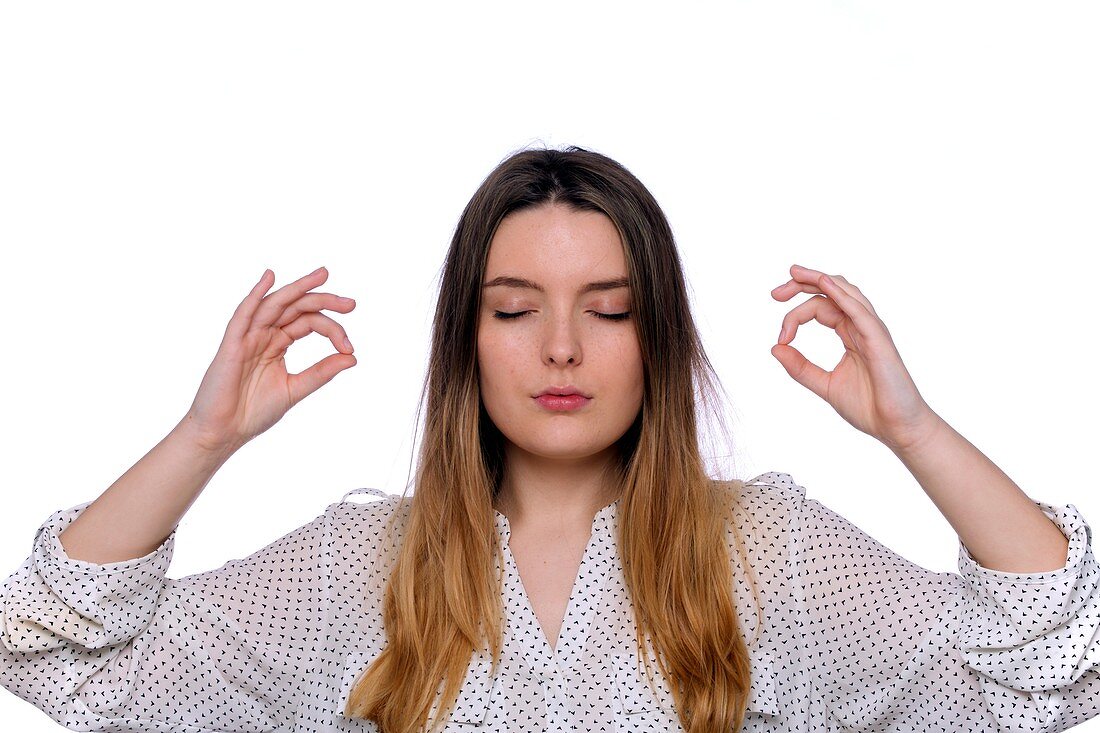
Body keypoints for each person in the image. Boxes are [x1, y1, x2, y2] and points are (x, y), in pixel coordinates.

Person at [1, 146, 1098, 733]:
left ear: (656, 339)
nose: (562, 347)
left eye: (609, 309)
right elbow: (59, 650)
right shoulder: (359, 566)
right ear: (465, 341)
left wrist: (909, 429)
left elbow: (1052, 665)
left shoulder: (772, 550)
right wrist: (202, 439)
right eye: (516, 309)